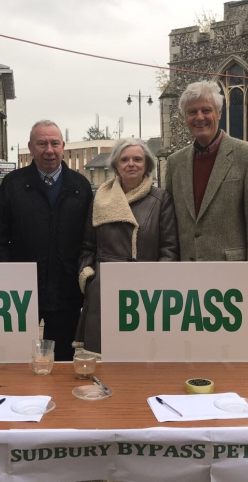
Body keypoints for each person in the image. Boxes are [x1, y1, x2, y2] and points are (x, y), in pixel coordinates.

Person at [0, 120, 92, 361]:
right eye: (42, 143)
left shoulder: (80, 186)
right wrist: (7, 276)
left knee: (63, 360)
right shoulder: (12, 185)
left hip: (66, 293)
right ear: (30, 147)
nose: (49, 150)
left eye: (55, 143)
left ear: (63, 146)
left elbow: (89, 239)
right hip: (20, 293)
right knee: (16, 358)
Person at [164, 80, 248, 290]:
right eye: (192, 112)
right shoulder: (174, 162)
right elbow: (169, 224)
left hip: (232, 278)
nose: (199, 117)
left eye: (206, 110)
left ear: (219, 113)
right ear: (185, 118)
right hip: (185, 277)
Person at [75, 138, 179, 353]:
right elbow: (87, 245)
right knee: (103, 357)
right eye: (125, 159)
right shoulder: (100, 200)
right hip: (105, 289)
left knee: (142, 356)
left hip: (146, 290)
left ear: (147, 165)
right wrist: (89, 277)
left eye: (137, 159)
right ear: (116, 165)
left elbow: (169, 248)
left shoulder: (161, 199)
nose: (131, 164)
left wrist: (159, 282)